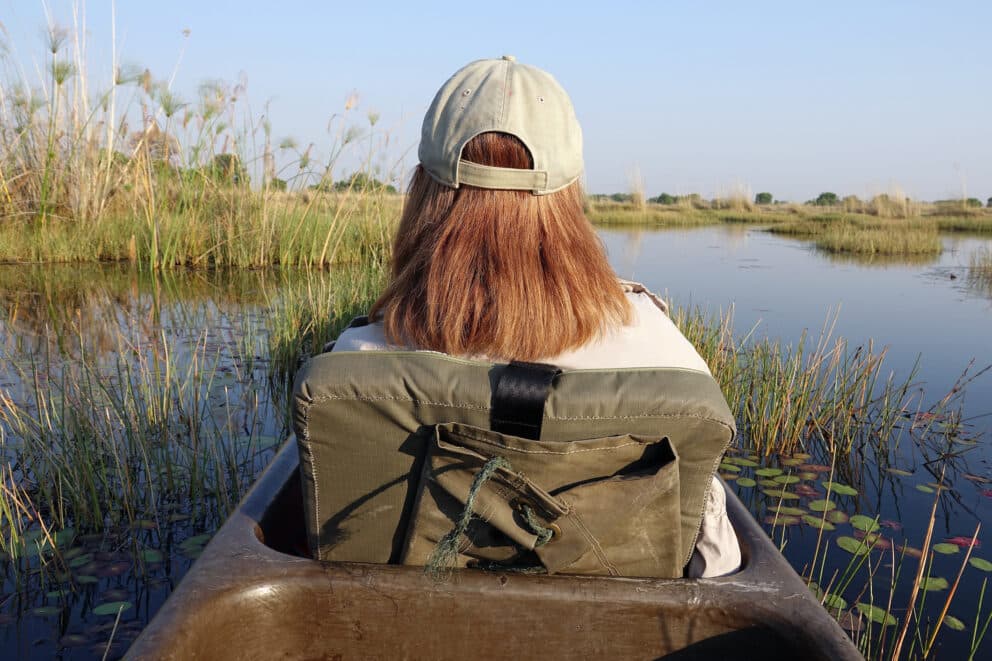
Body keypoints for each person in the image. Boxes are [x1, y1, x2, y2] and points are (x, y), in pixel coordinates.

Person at [333, 55, 740, 578]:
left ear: (423, 193)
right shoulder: (667, 357)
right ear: (570, 195)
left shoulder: (355, 364)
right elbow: (718, 569)